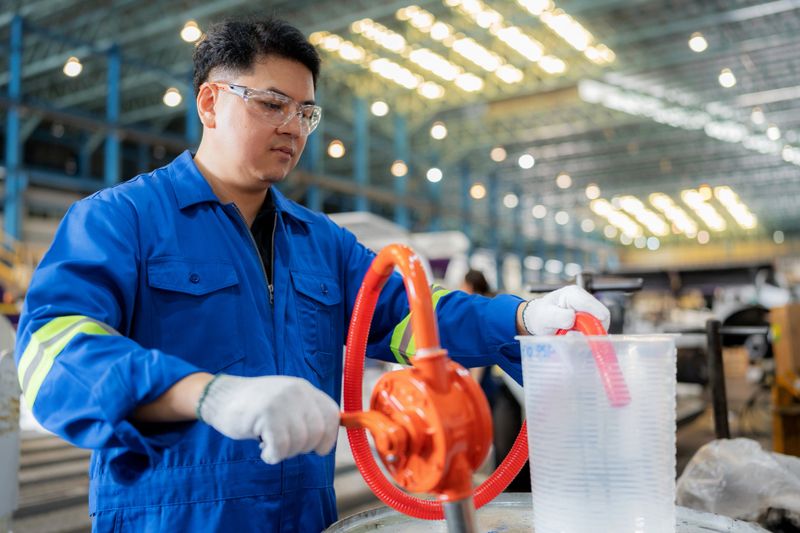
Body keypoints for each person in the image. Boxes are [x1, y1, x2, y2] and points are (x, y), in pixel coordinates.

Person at [14, 17, 610, 532]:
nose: (294, 128)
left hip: (306, 514)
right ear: (209, 102)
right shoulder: (121, 220)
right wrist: (207, 394)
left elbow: (412, 314)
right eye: (272, 104)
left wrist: (524, 316)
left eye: (306, 111)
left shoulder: (322, 244)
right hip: (166, 515)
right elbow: (51, 349)